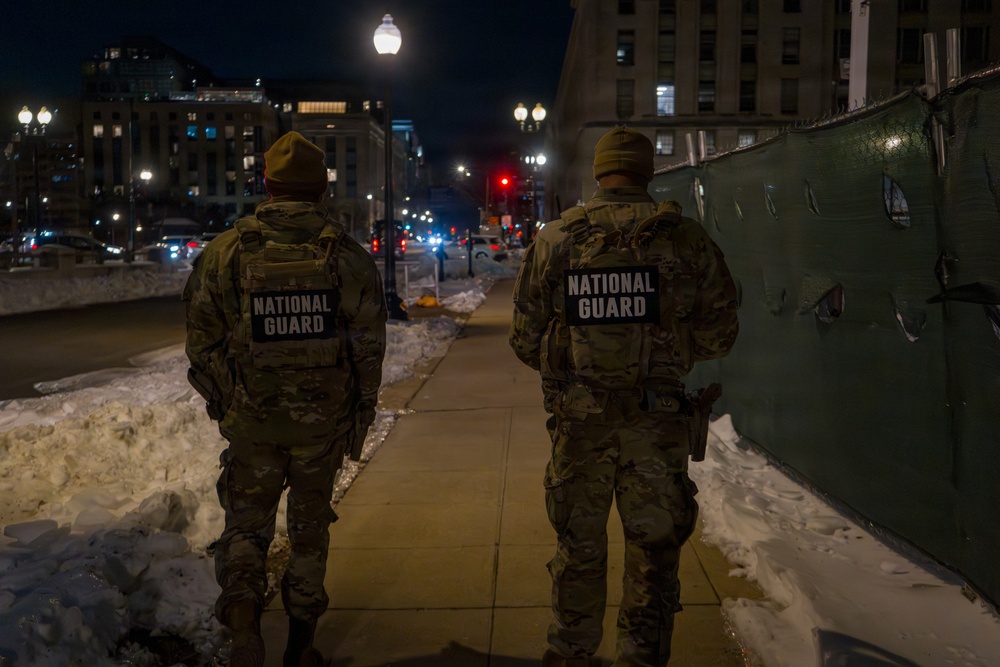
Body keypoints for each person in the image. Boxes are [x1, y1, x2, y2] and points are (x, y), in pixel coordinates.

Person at [509, 126, 739, 667]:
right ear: (647, 172)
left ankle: (570, 654)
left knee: (578, 553)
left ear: (599, 171)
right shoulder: (685, 239)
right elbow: (721, 330)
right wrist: (670, 352)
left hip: (580, 425)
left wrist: (573, 363)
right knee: (653, 558)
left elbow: (524, 339)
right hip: (657, 428)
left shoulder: (558, 238)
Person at [184, 131, 388, 666]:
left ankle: (246, 627)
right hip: (322, 424)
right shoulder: (346, 257)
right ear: (321, 188)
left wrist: (231, 400)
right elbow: (368, 348)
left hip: (252, 422)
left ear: (267, 184)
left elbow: (201, 343)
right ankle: (301, 645)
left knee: (246, 527)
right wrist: (360, 411)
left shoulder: (226, 252)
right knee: (309, 532)